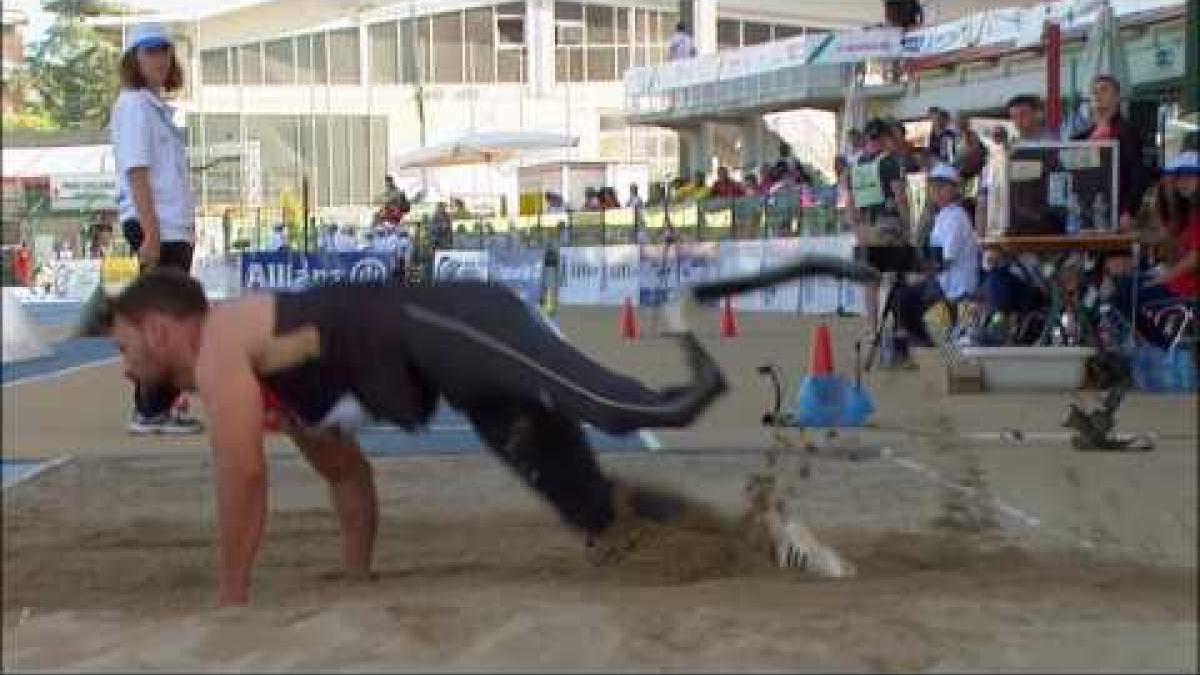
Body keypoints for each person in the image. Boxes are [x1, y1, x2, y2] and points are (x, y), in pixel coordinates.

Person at [92, 255, 877, 606]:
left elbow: (242, 477)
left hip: (449, 320)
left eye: (125, 346)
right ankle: (767, 538)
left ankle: (688, 326)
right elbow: (346, 476)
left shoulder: (223, 341)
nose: (125, 367)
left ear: (161, 327)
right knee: (600, 517)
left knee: (632, 407)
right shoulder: (269, 379)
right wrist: (356, 569)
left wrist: (232, 595)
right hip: (460, 383)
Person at [109, 22, 202, 435]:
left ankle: (160, 404)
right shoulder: (132, 106)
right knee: (164, 323)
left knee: (170, 320)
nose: (160, 59)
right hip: (157, 224)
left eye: (164, 51)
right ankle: (150, 409)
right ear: (134, 59)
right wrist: (150, 232)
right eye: (149, 52)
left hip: (172, 226)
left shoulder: (155, 107)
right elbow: (137, 171)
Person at [1108, 150, 1199, 349]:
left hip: (1186, 288)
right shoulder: (1188, 210)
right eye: (1179, 176)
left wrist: (1166, 276)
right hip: (1178, 282)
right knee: (1121, 288)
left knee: (1124, 291)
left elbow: (1195, 257)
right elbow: (1166, 241)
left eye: (1190, 175)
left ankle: (1165, 347)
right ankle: (1164, 346)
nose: (1183, 181)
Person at [893, 164, 980, 347]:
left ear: (955, 189)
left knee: (904, 296)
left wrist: (918, 275)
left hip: (955, 286)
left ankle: (925, 341)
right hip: (943, 282)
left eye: (943, 186)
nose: (937, 191)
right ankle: (922, 340)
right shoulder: (943, 216)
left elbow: (945, 260)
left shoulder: (956, 217)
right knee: (902, 294)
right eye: (934, 187)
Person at [849, 117, 911, 335]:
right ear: (885, 137)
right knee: (894, 278)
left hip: (865, 225)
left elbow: (849, 201)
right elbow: (900, 196)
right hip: (888, 223)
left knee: (870, 282)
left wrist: (855, 226)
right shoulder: (888, 162)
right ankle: (896, 326)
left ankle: (872, 327)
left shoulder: (856, 164)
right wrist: (907, 225)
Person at [1071, 75, 1148, 232]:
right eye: (1094, 92)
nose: (1098, 95)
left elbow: (1138, 173)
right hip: (1085, 213)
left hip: (1117, 211)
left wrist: (1129, 210)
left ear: (1117, 97)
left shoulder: (1127, 132)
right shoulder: (1080, 137)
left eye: (1104, 90)